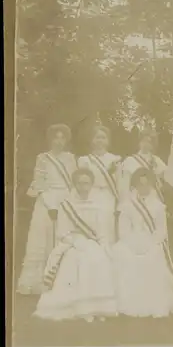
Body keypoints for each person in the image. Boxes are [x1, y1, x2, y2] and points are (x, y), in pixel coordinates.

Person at [34, 168, 118, 322]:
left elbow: (101, 232)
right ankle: (80, 308)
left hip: (92, 243)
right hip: (72, 243)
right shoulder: (67, 205)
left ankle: (97, 307)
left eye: (86, 183)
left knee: (100, 257)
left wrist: (104, 245)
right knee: (79, 258)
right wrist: (77, 242)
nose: (82, 187)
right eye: (79, 183)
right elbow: (62, 232)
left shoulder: (97, 205)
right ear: (75, 185)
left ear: (91, 184)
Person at [114, 167, 173, 317]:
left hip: (152, 241)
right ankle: (128, 303)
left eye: (147, 184)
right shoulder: (127, 205)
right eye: (140, 184)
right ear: (135, 186)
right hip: (130, 242)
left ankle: (152, 303)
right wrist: (134, 245)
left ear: (152, 185)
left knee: (153, 257)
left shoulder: (158, 206)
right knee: (123, 255)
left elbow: (161, 231)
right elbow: (123, 231)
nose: (144, 188)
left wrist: (150, 244)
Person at [17, 124, 77, 295]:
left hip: (65, 200)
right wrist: (51, 205)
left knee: (63, 238)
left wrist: (66, 204)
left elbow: (73, 183)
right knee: (42, 239)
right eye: (55, 137)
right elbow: (40, 183)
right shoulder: (43, 158)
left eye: (62, 138)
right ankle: (38, 282)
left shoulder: (71, 158)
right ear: (50, 139)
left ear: (66, 140)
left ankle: (63, 281)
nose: (58, 141)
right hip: (46, 200)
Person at [78, 125, 121, 242]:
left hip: (109, 195)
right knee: (91, 225)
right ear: (92, 140)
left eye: (103, 137)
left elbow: (120, 183)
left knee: (107, 226)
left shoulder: (115, 159)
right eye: (97, 137)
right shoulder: (85, 160)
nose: (100, 140)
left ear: (108, 141)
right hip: (91, 194)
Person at [120, 127, 167, 204]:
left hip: (153, 197)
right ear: (139, 142)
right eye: (143, 141)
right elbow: (125, 184)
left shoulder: (157, 161)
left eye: (149, 142)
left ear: (153, 145)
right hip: (134, 198)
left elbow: (165, 178)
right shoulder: (130, 160)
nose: (145, 144)